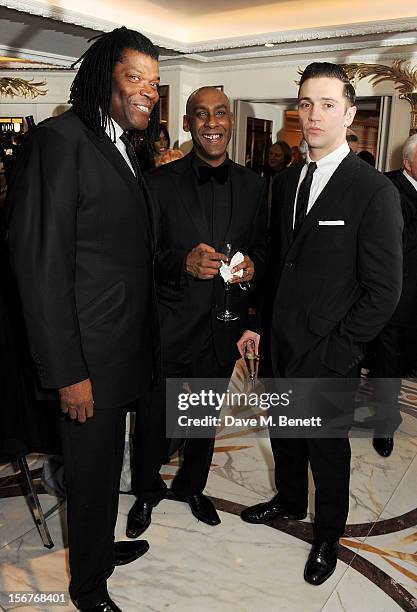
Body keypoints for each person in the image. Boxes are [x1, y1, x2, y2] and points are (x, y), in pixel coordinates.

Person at [6, 27, 161, 612]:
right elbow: (39, 266)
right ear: (104, 77)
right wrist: (68, 370)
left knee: (101, 471)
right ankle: (88, 588)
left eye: (154, 81)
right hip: (87, 360)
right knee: (92, 471)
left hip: (122, 353)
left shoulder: (122, 145)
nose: (148, 90)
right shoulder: (59, 141)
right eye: (135, 77)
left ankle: (95, 549)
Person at [237, 62, 403, 586]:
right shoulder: (285, 180)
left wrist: (339, 350)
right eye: (306, 103)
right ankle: (288, 501)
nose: (313, 114)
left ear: (350, 114)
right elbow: (281, 261)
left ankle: (328, 534)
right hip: (280, 346)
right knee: (284, 434)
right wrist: (258, 322)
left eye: (327, 104)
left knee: (326, 453)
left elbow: (384, 291)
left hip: (328, 354)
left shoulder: (372, 191)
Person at [127, 86, 267, 538]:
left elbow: (264, 248)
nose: (212, 123)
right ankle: (146, 492)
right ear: (187, 124)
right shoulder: (156, 184)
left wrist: (253, 267)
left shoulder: (254, 185)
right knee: (153, 420)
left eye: (221, 113)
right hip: (169, 327)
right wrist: (182, 263)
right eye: (201, 115)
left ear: (232, 120)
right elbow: (138, 257)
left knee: (204, 419)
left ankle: (192, 487)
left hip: (222, 328)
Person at [367, 133, 417, 457]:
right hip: (396, 296)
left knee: (404, 361)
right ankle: (384, 424)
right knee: (387, 363)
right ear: (407, 162)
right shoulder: (388, 188)